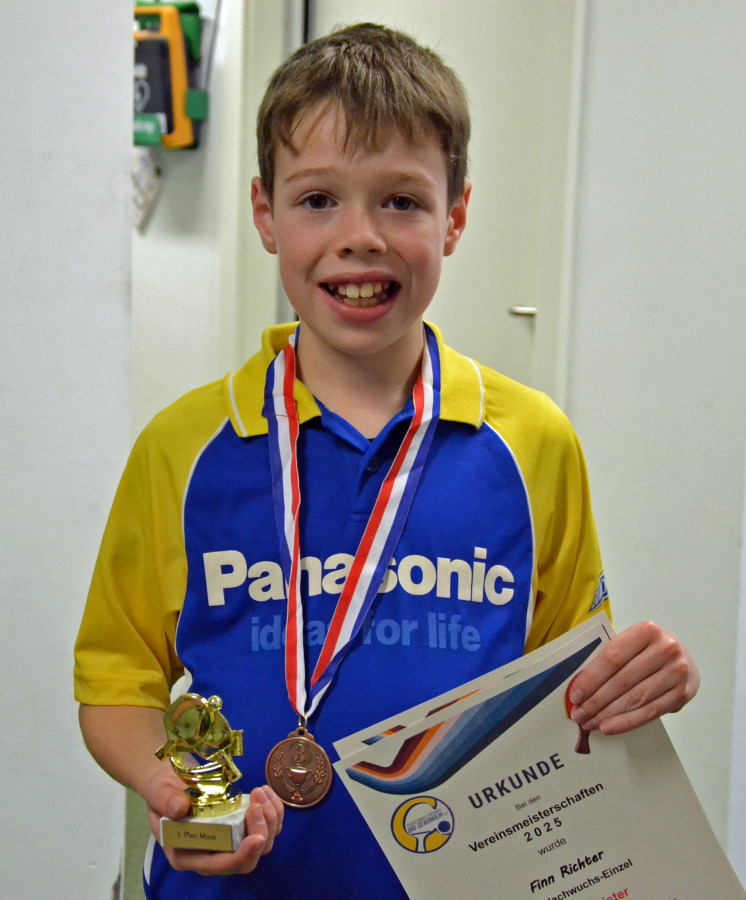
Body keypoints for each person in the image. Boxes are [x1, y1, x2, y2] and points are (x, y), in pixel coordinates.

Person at [74, 22, 699, 900]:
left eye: (401, 201)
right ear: (265, 213)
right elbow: (115, 681)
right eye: (317, 199)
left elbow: (569, 697)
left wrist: (638, 686)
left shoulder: (532, 445)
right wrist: (172, 792)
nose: (359, 236)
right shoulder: (184, 448)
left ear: (456, 216)